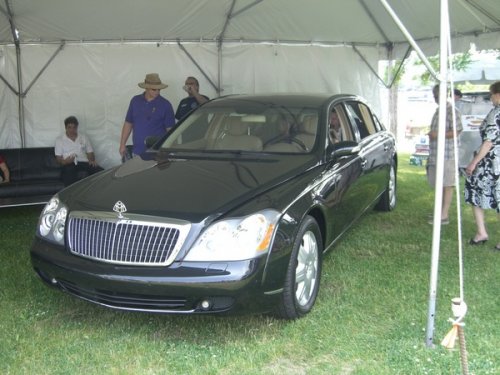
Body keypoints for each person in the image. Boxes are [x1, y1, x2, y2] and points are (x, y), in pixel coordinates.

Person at [464, 81, 500, 249]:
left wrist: (473, 163)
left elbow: (488, 142)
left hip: (491, 164)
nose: (491, 98)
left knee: (475, 192)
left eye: (491, 94)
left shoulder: (496, 114)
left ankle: (481, 232)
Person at [427, 83, 463, 225]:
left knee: (448, 184)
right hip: (436, 154)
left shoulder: (452, 111)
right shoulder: (439, 110)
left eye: (437, 96)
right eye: (434, 96)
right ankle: (440, 210)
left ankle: (444, 215)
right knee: (439, 184)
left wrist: (437, 135)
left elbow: (457, 131)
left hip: (448, 155)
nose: (435, 99)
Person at [119, 73, 175, 158]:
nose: (157, 92)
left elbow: (171, 131)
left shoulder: (165, 105)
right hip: (137, 152)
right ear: (146, 87)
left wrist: (169, 151)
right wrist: (122, 144)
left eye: (159, 89)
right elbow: (128, 123)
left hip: (157, 154)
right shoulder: (135, 101)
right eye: (154, 89)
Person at [55, 116, 103, 186]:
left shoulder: (84, 137)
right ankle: (71, 195)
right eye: (69, 127)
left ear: (77, 127)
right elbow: (58, 159)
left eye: (74, 127)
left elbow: (90, 153)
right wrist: (65, 161)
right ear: (65, 128)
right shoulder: (59, 140)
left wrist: (92, 160)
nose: (72, 130)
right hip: (69, 163)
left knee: (101, 172)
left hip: (84, 162)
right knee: (69, 172)